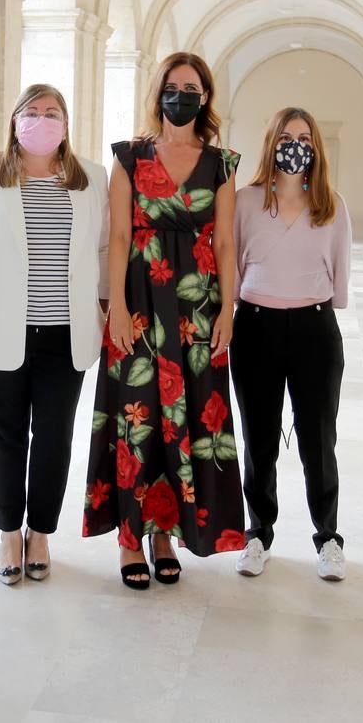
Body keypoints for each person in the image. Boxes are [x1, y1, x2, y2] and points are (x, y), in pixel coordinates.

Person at [81, 51, 246, 589]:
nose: (182, 93)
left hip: (198, 307)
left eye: (191, 86)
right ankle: (131, 538)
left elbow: (225, 241)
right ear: (159, 93)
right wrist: (119, 309)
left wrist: (229, 308)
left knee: (190, 418)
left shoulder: (221, 163)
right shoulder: (129, 157)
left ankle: (164, 534)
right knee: (138, 417)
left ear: (205, 96)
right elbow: (122, 237)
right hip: (141, 303)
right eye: (173, 85)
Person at [0, 84, 109, 585]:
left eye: (51, 112)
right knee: (5, 434)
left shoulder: (92, 179)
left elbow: (103, 255)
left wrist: (104, 312)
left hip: (67, 333)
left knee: (55, 438)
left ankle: (41, 533)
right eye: (31, 112)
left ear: (66, 123)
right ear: (14, 120)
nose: (41, 120)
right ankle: (9, 533)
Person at [229, 107, 352, 582]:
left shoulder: (331, 204)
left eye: (304, 136)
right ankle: (258, 533)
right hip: (255, 326)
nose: (295, 144)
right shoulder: (245, 202)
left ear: (316, 146)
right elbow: (233, 267)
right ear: (271, 143)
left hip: (314, 329)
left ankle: (328, 539)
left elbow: (339, 276)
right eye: (286, 135)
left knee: (319, 439)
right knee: (259, 438)